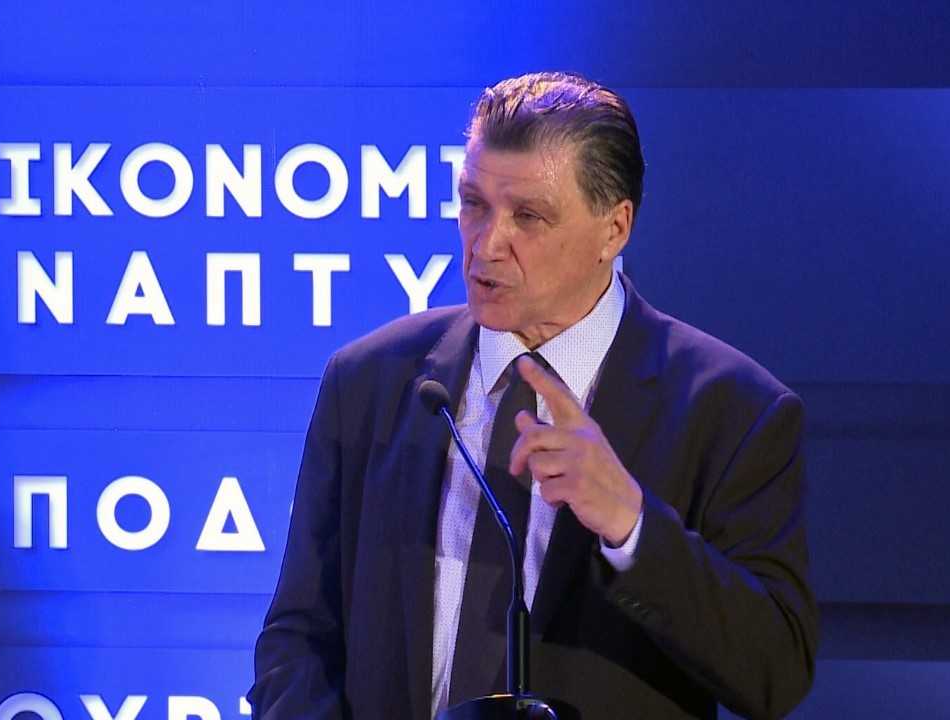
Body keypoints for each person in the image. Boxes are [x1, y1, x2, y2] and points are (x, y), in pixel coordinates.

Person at [248, 71, 818, 720]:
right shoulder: (371, 380)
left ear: (614, 229)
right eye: (473, 204)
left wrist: (631, 523)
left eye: (528, 217)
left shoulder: (731, 410)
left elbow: (775, 673)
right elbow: (298, 639)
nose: (486, 245)